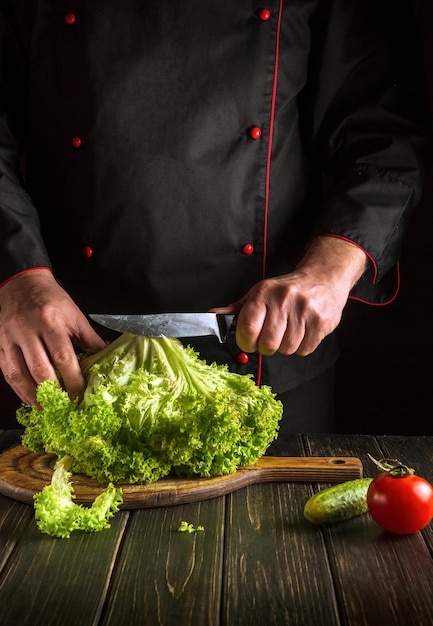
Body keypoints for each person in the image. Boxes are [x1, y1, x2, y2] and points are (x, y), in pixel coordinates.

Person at [0, 0, 430, 436]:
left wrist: (326, 274)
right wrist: (18, 275)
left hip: (268, 358)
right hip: (62, 348)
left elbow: (386, 142)